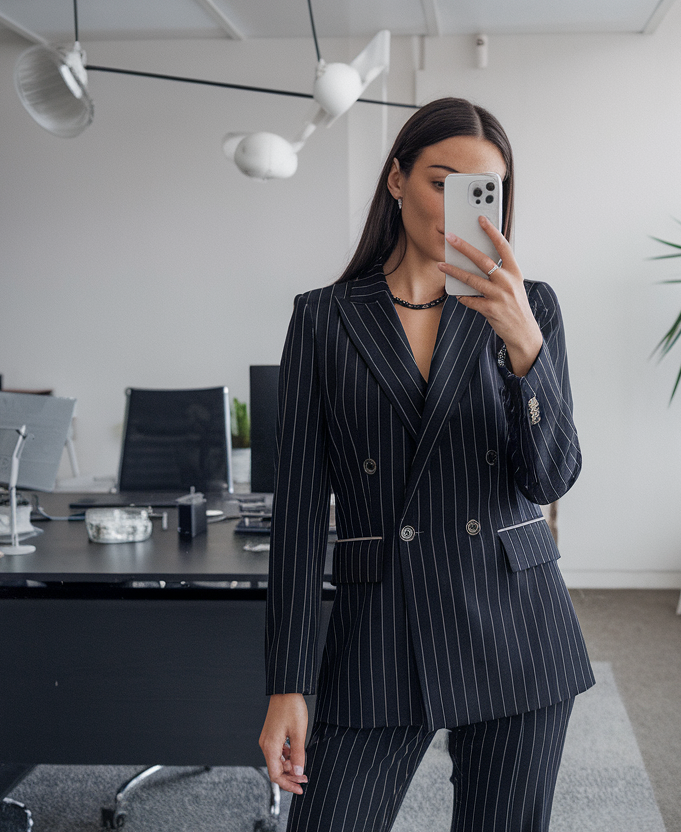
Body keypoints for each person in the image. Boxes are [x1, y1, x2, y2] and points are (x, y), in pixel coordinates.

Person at [259, 96, 594, 832]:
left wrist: (523, 349)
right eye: (441, 181)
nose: (458, 207)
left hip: (514, 626)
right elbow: (299, 514)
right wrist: (287, 682)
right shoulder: (323, 318)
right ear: (396, 180)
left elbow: (550, 478)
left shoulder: (530, 307)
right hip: (379, 630)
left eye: (483, 192)